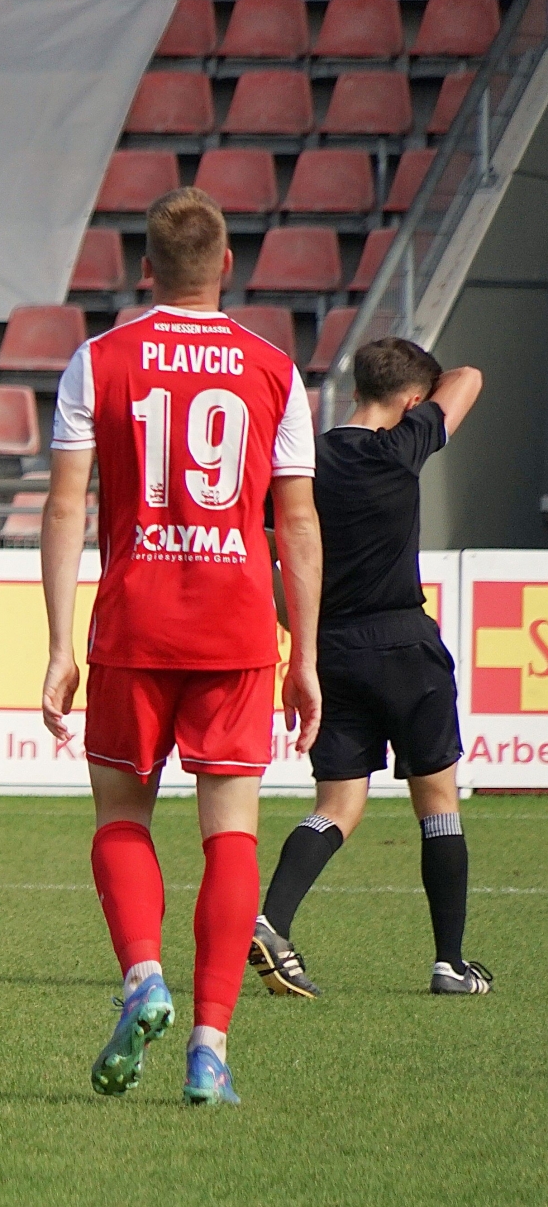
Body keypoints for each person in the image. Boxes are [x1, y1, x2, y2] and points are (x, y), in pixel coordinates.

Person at [40, 187, 323, 1106]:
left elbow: (64, 508)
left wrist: (58, 645)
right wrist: (304, 655)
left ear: (146, 269)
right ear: (228, 264)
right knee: (231, 834)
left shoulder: (98, 361)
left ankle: (142, 977)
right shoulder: (274, 369)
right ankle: (210, 1049)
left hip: (135, 621)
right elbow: (297, 524)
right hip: (236, 627)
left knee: (122, 817)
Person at [248, 340, 489, 998]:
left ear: (354, 389)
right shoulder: (402, 446)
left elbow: (267, 554)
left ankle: (272, 920)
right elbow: (468, 375)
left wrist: (299, 625)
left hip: (332, 650)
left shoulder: (304, 462)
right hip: (404, 645)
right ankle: (449, 964)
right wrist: (423, 405)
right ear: (413, 403)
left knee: (336, 805)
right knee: (437, 803)